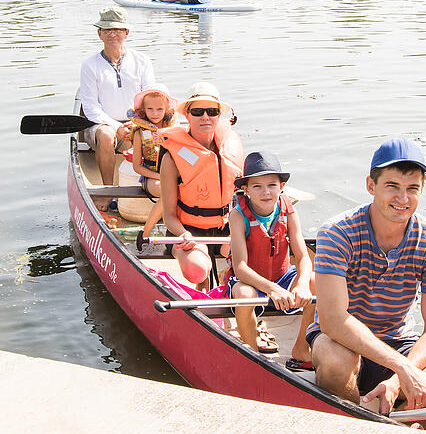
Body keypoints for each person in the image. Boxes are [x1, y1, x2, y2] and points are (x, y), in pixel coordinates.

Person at [308, 137, 426, 419]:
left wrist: (399, 376)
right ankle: (353, 424)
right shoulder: (336, 233)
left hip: (399, 339)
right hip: (340, 339)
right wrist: (402, 369)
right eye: (392, 187)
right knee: (338, 363)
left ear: (422, 190)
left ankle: (395, 424)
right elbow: (332, 320)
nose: (403, 199)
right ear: (370, 186)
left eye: (412, 188)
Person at [224, 151, 315, 364]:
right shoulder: (238, 215)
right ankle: (253, 354)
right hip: (249, 281)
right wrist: (272, 290)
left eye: (272, 185)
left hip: (282, 277)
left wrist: (301, 285)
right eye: (257, 186)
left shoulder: (288, 210)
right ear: (245, 190)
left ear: (281, 187)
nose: (266, 192)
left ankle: (301, 348)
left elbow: (302, 256)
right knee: (245, 294)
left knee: (315, 281)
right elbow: (240, 268)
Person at [157, 82, 243, 287]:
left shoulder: (230, 146)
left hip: (226, 229)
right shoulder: (172, 158)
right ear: (187, 115)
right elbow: (168, 216)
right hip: (188, 230)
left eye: (212, 111)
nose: (205, 116)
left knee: (258, 257)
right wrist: (183, 234)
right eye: (197, 111)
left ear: (219, 115)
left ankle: (226, 277)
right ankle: (203, 284)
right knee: (197, 270)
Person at [79, 6, 156, 209]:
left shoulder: (142, 61)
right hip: (101, 125)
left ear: (126, 33)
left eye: (117, 29)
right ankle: (108, 191)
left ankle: (150, 188)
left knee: (153, 138)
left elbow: (149, 99)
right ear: (99, 34)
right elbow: (89, 107)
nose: (112, 34)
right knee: (105, 135)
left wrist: (134, 125)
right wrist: (115, 127)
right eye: (106, 30)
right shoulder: (90, 65)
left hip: (134, 123)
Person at [127, 85, 176, 243]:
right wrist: (159, 176)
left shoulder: (173, 129)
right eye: (150, 109)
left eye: (159, 109)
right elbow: (137, 166)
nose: (155, 114)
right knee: (166, 190)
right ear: (143, 110)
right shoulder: (140, 133)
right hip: (151, 177)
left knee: (179, 188)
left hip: (172, 174)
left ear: (166, 109)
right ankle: (146, 232)